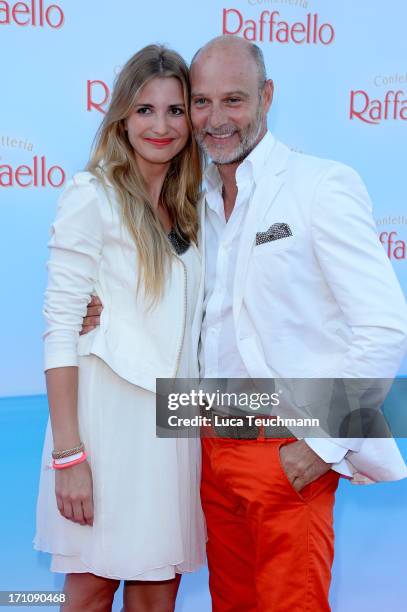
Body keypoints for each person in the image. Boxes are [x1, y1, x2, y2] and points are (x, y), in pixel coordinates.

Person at [82, 36, 407, 611]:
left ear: (267, 96)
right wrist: (105, 312)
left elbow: (383, 328)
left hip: (290, 448)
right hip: (208, 445)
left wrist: (319, 446)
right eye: (201, 102)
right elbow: (175, 303)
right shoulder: (197, 204)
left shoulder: (319, 186)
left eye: (233, 100)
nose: (215, 119)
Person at [34, 44, 206, 612]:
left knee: (160, 590)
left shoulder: (195, 210)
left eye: (176, 110)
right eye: (145, 110)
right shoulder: (93, 196)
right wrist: (69, 456)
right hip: (107, 428)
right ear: (121, 118)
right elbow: (60, 328)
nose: (161, 126)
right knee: (92, 589)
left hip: (173, 425)